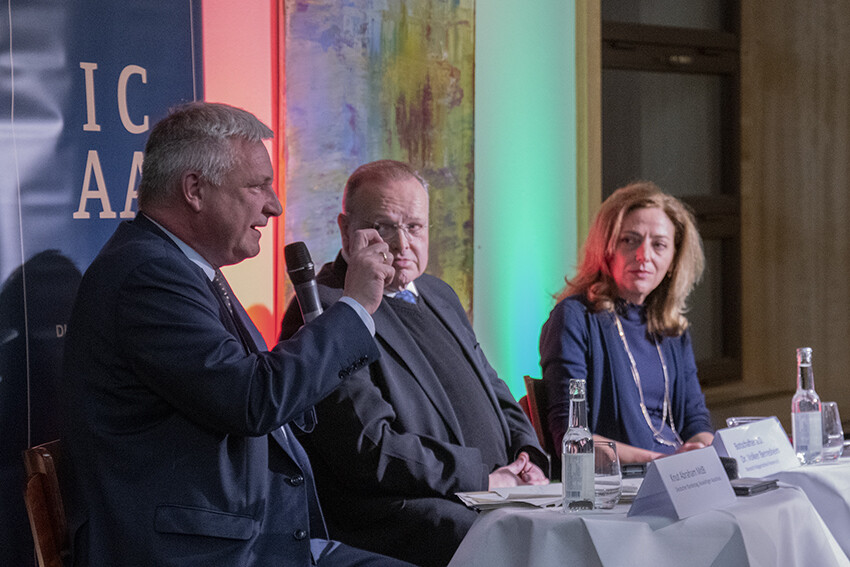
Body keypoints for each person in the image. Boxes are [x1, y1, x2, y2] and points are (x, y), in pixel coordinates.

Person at [61, 102, 414, 566]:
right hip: (193, 553)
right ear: (194, 190)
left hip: (253, 538)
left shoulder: (184, 266)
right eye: (257, 186)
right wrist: (353, 307)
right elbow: (252, 399)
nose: (275, 205)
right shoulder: (146, 276)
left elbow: (259, 395)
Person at [280, 160, 548, 567]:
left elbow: (493, 386)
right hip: (406, 512)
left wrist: (527, 455)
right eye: (385, 227)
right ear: (345, 229)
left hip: (497, 490)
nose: (402, 245)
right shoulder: (326, 309)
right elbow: (368, 448)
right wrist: (482, 479)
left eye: (415, 227)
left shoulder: (439, 294)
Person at [539, 181, 714, 464]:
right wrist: (658, 461)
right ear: (606, 248)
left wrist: (701, 451)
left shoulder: (672, 329)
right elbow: (572, 438)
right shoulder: (575, 319)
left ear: (673, 260)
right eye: (629, 240)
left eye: (659, 245)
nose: (644, 255)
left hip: (680, 476)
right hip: (619, 489)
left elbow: (696, 422)